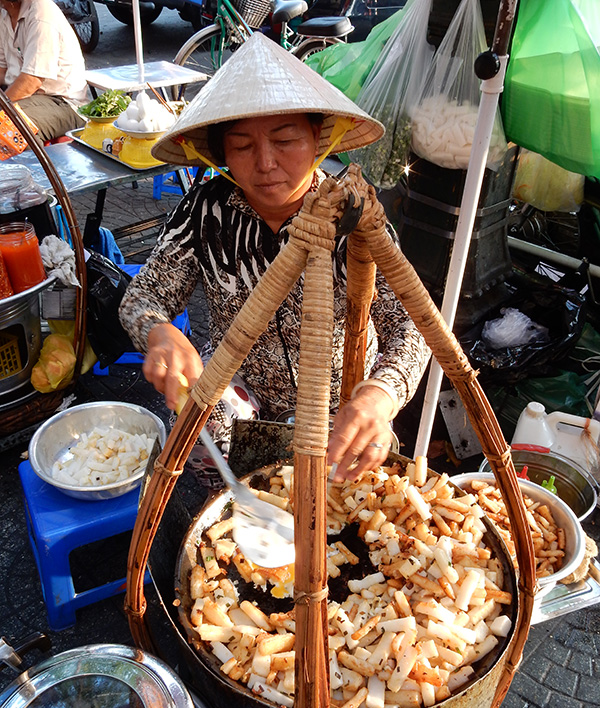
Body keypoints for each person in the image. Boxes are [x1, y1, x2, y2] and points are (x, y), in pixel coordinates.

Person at [119, 33, 430, 486]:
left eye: (285, 140)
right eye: (242, 146)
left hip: (336, 400)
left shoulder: (352, 215)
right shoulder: (206, 209)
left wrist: (377, 398)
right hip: (241, 383)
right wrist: (160, 333)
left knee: (349, 493)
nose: (264, 163)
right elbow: (142, 295)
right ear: (222, 153)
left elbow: (412, 324)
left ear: (318, 139)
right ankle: (229, 510)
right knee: (201, 422)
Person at [0, 0, 88, 141]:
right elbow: (2, 69)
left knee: (10, 130)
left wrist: (2, 106)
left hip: (62, 102)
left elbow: (31, 81)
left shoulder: (41, 13)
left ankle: (32, 163)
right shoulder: (5, 14)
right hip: (30, 98)